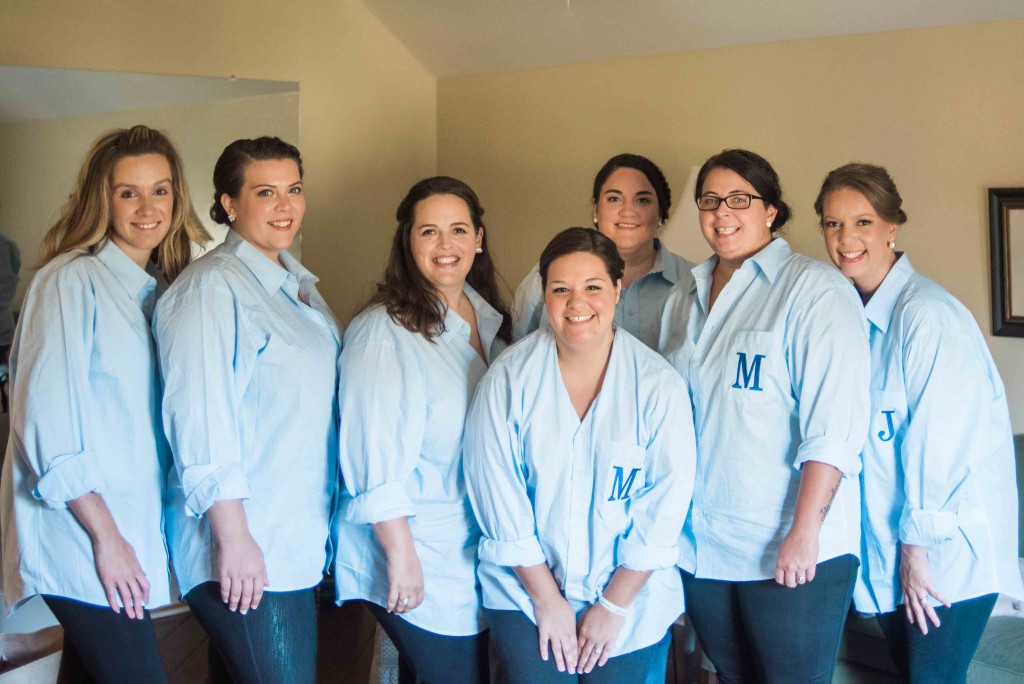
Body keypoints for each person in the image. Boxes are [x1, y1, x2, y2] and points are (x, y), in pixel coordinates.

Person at [0, 124, 207, 682]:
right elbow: (46, 424)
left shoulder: (157, 291)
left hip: (120, 529)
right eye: (128, 192)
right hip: (81, 533)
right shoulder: (70, 281)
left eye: (160, 190)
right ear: (103, 200)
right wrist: (106, 537)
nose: (148, 207)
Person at [658, 149, 870, 682]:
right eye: (709, 201)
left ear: (770, 210)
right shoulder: (684, 295)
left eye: (739, 199)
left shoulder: (815, 290)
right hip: (703, 542)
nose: (721, 213)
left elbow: (833, 429)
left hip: (787, 542)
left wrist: (803, 532)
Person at [815, 162, 1024, 682]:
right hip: (886, 553)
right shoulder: (847, 319)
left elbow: (941, 450)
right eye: (833, 223)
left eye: (862, 222)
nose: (846, 239)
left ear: (892, 226)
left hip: (942, 557)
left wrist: (916, 552)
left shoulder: (926, 315)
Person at [466, 227, 696, 683]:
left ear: (616, 290)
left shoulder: (658, 385)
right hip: (525, 593)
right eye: (561, 289)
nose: (577, 303)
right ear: (544, 295)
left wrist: (612, 605)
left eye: (592, 287)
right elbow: (499, 499)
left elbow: (664, 509)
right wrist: (547, 600)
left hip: (632, 598)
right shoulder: (508, 380)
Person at [154, 137, 340, 684]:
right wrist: (234, 538)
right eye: (266, 192)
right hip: (247, 543)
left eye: (294, 189)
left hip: (292, 535)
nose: (285, 205)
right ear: (229, 204)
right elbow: (200, 420)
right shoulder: (212, 288)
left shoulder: (295, 283)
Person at [334, 176, 511, 684]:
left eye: (458, 230)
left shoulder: (492, 321)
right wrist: (402, 556)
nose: (445, 245)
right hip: (417, 548)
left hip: (472, 546)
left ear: (479, 238)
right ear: (407, 242)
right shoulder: (384, 331)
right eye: (428, 232)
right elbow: (371, 458)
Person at [513, 153, 694, 349]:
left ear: (661, 212)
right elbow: (516, 351)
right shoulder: (548, 274)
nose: (627, 211)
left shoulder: (693, 282)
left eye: (642, 200)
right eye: (614, 198)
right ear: (595, 209)